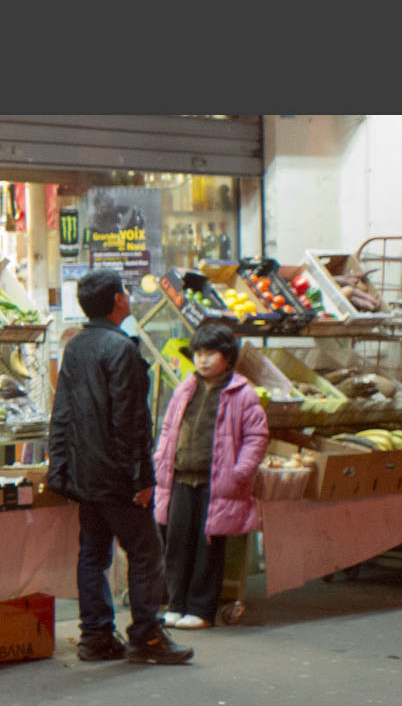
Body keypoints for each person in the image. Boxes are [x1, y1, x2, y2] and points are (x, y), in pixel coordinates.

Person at [46, 268, 193, 665]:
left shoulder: (75, 347)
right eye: (125, 291)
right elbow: (131, 421)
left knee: (93, 553)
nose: (128, 296)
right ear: (118, 300)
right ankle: (146, 636)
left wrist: (61, 468)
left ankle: (95, 636)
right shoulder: (122, 348)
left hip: (84, 473)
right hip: (116, 476)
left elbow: (62, 412)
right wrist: (142, 477)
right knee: (146, 551)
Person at [152, 321, 268, 630]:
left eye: (210, 353)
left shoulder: (243, 394)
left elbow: (257, 437)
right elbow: (167, 429)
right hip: (180, 479)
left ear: (228, 357)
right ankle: (175, 604)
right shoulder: (184, 388)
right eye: (198, 353)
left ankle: (201, 610)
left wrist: (239, 472)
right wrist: (161, 458)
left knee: (208, 548)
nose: (203, 360)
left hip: (217, 484)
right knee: (176, 544)